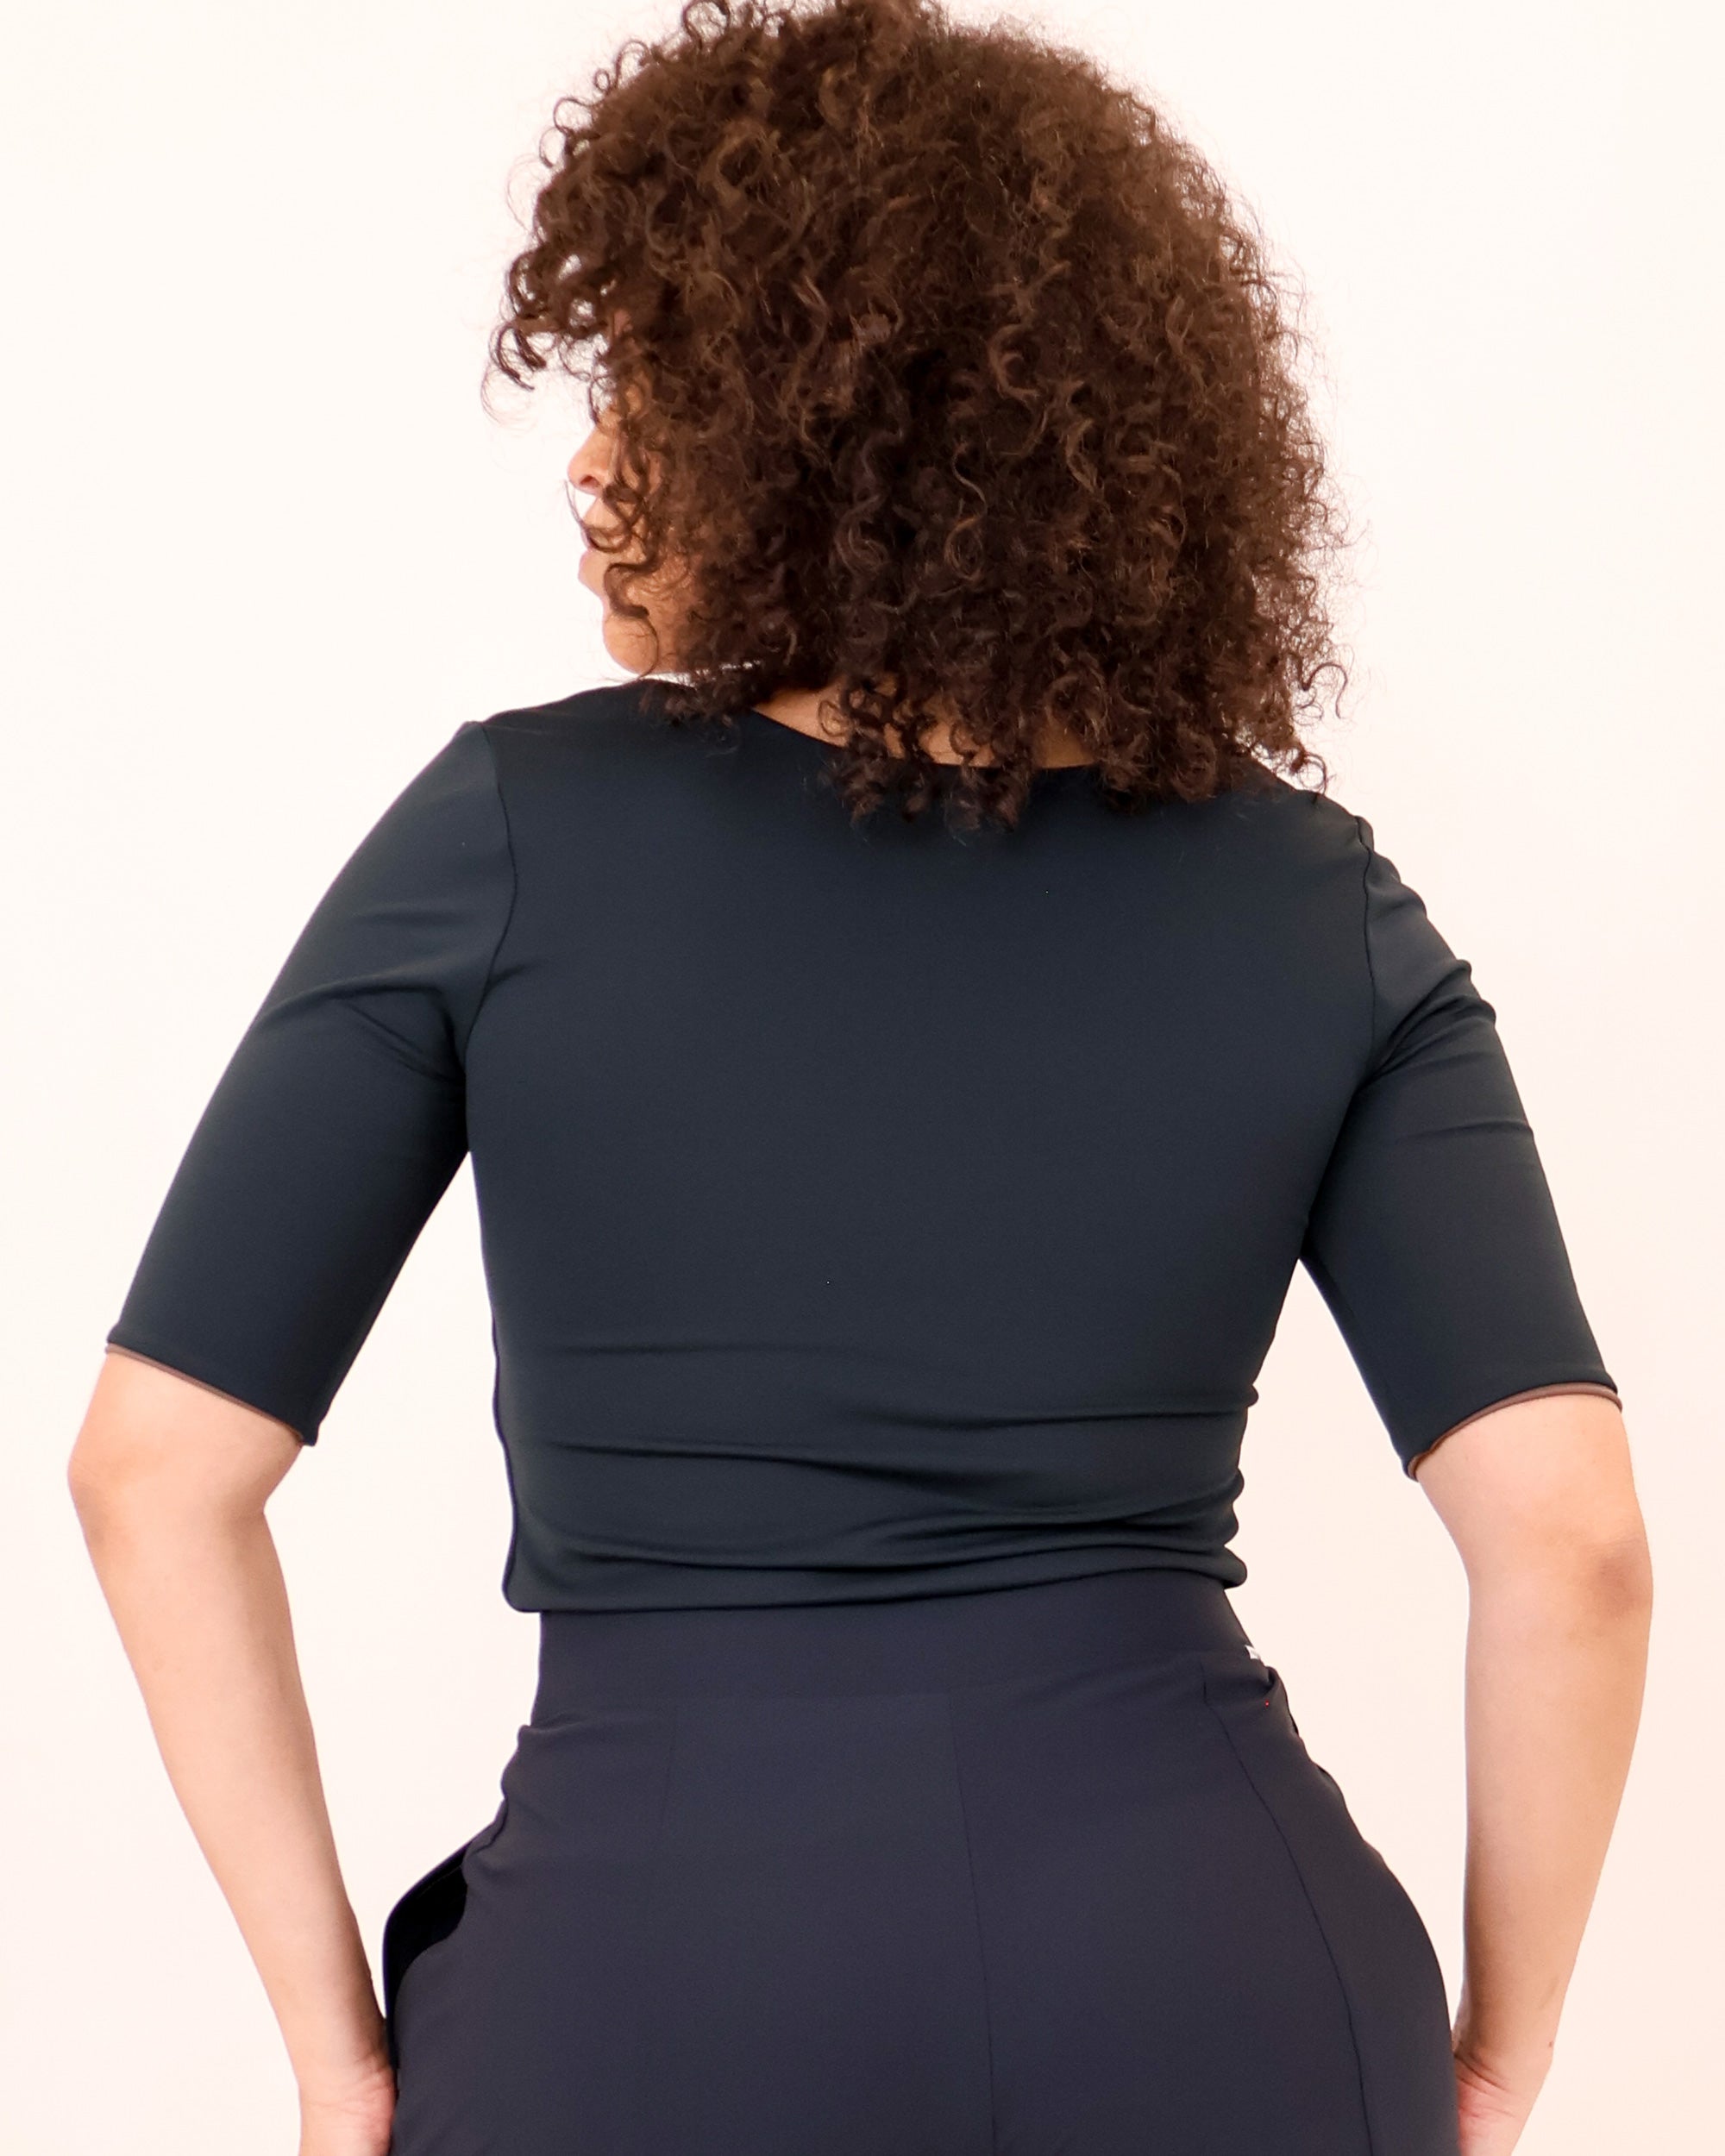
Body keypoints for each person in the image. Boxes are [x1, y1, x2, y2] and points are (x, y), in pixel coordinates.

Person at [68, 2, 1652, 2153]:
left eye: (656, 389)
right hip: (1222, 1980)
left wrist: (333, 2041)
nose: (593, 460)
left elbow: (156, 1469)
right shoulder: (1320, 904)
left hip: (637, 2001)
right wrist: (1501, 2047)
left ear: (835, 436)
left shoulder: (508, 835)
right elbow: (1571, 1540)